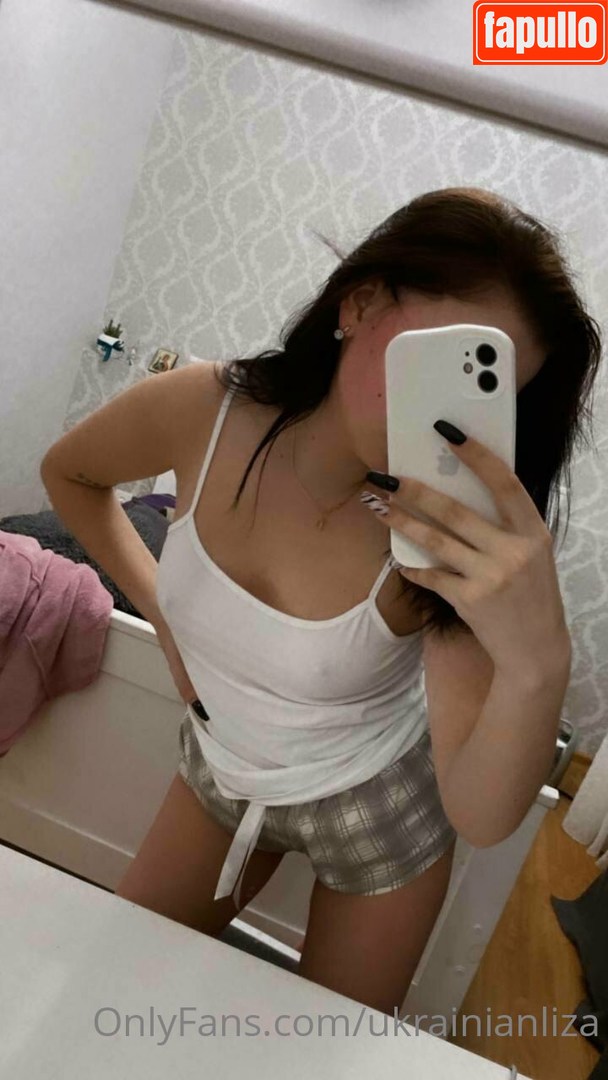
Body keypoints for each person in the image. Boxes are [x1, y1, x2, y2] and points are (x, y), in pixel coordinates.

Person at [41, 187, 602, 1018]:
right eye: (444, 364)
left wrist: (538, 662)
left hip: (379, 810)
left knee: (324, 1056)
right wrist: (162, 614)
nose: (449, 419)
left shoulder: (438, 535)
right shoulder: (202, 408)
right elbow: (71, 474)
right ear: (360, 302)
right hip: (224, 768)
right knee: (103, 996)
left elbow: (482, 815)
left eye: (489, 396)